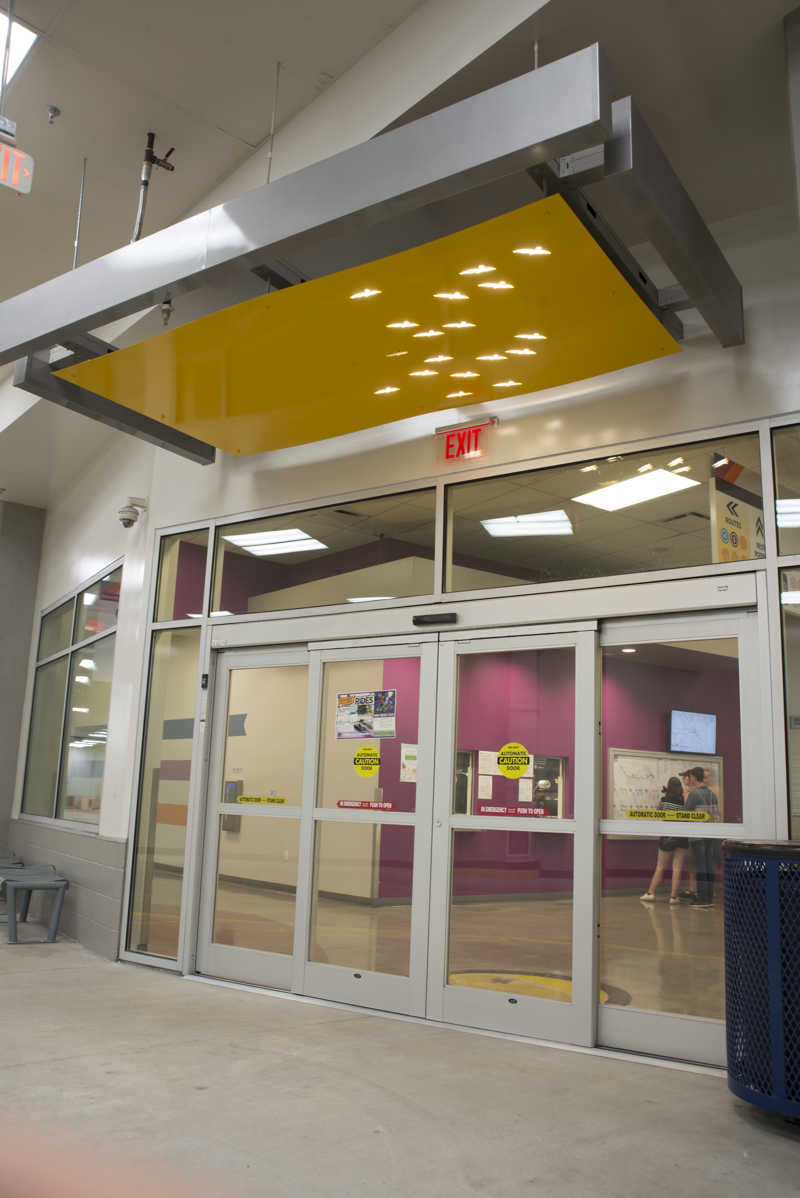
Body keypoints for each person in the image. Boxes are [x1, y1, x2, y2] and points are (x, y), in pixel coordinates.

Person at [640, 777, 689, 904]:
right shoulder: (684, 800)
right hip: (682, 836)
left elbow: (658, 813)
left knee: (660, 866)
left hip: (667, 837)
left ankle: (651, 893)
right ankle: (673, 897)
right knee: (677, 867)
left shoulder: (664, 800)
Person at [683, 765, 719, 908]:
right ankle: (709, 897)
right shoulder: (712, 794)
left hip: (698, 836)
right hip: (711, 835)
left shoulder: (694, 794)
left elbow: (686, 813)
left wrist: (686, 797)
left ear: (693, 778)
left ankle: (702, 898)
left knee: (700, 866)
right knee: (709, 866)